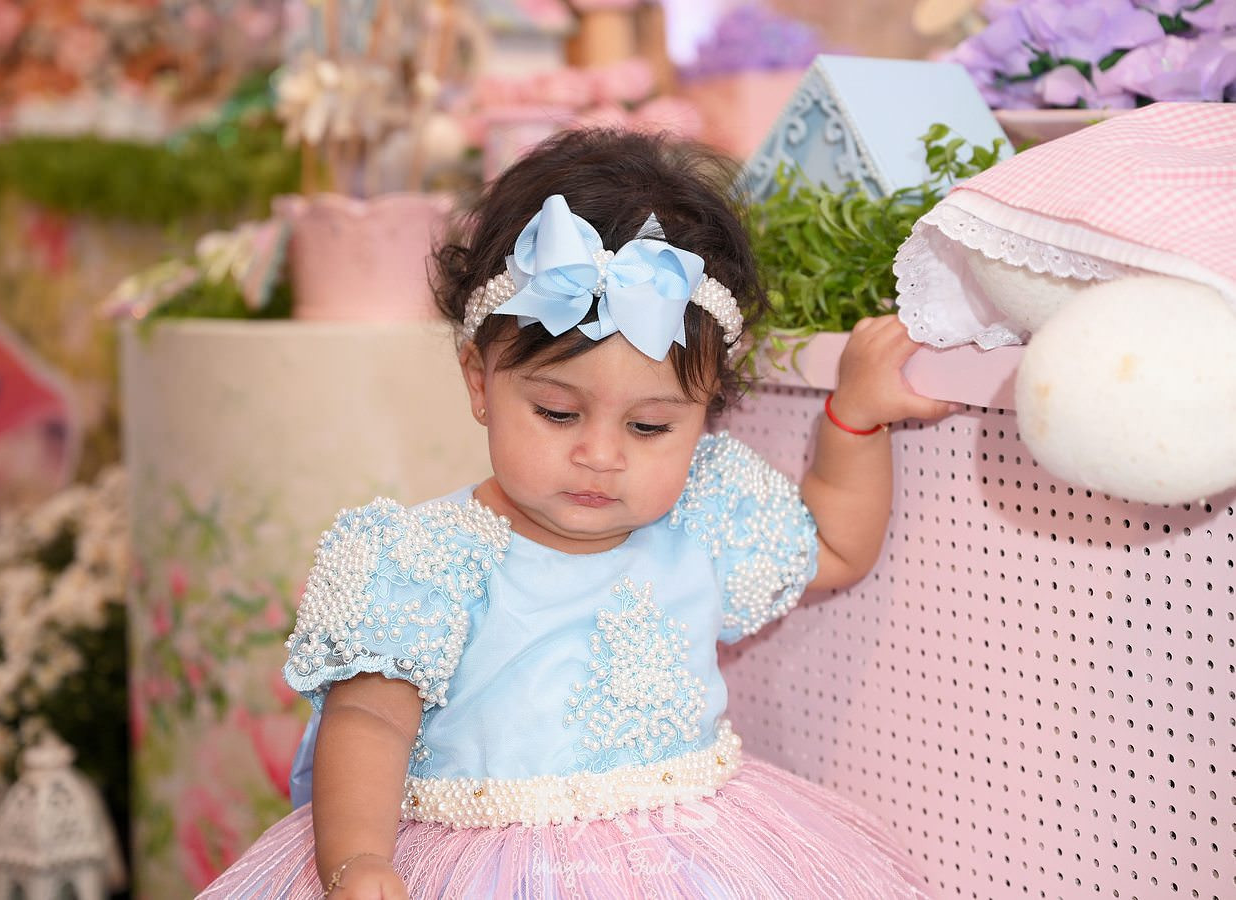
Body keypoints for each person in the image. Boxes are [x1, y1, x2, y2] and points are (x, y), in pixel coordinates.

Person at [199, 129, 953, 899]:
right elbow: (369, 720)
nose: (600, 455)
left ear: (705, 413)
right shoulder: (422, 559)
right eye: (558, 413)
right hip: (477, 867)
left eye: (648, 426)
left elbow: (835, 547)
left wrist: (853, 421)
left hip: (689, 856)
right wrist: (358, 860)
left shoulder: (704, 519)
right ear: (480, 382)